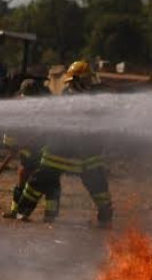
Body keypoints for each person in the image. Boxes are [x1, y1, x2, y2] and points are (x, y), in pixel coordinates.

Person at [14, 61, 113, 227]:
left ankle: (106, 218)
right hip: (60, 150)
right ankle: (23, 211)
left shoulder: (93, 99)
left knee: (99, 185)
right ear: (75, 81)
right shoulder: (67, 99)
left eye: (90, 80)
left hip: (88, 151)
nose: (89, 84)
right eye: (86, 80)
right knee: (39, 181)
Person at [1, 78, 57, 220]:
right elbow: (10, 129)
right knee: (22, 175)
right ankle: (15, 211)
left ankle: (47, 215)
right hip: (27, 150)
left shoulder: (44, 109)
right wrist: (10, 145)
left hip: (44, 151)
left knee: (46, 181)